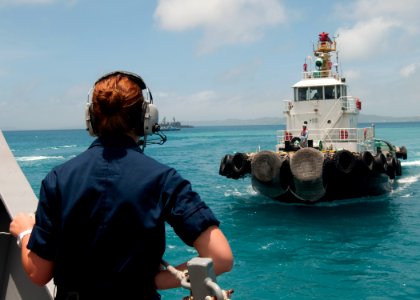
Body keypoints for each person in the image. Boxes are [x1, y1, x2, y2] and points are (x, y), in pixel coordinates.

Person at [9, 71, 233, 299]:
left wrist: (25, 232)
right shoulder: (164, 179)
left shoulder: (58, 179)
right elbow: (220, 257)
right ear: (147, 119)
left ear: (90, 119)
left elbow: (38, 273)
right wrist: (154, 280)